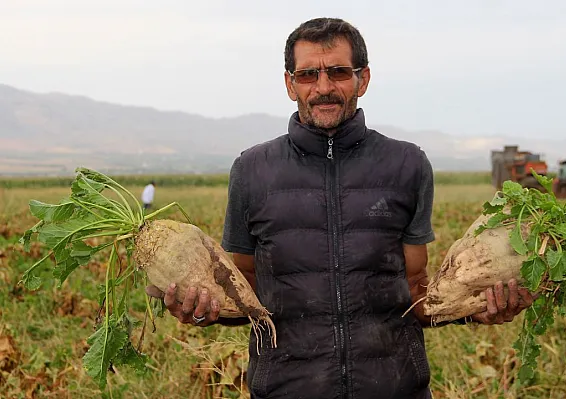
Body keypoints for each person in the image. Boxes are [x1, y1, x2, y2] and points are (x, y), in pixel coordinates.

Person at [146, 17, 535, 399]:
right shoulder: (251, 170)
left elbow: (416, 293)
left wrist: (473, 306)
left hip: (396, 389)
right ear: (289, 84)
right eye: (308, 75)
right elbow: (244, 292)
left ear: (362, 79)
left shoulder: (407, 165)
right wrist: (201, 308)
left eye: (338, 72)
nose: (324, 87)